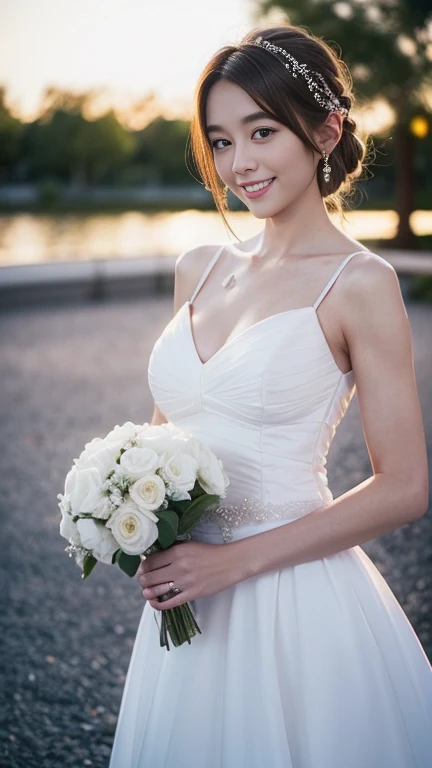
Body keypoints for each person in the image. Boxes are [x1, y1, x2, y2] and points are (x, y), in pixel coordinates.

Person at [109, 23, 432, 768]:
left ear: (325, 130)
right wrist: (131, 519)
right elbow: (170, 438)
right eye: (221, 141)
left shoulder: (360, 284)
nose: (240, 163)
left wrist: (233, 563)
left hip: (296, 603)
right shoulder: (199, 267)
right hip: (188, 601)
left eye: (262, 131)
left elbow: (406, 486)